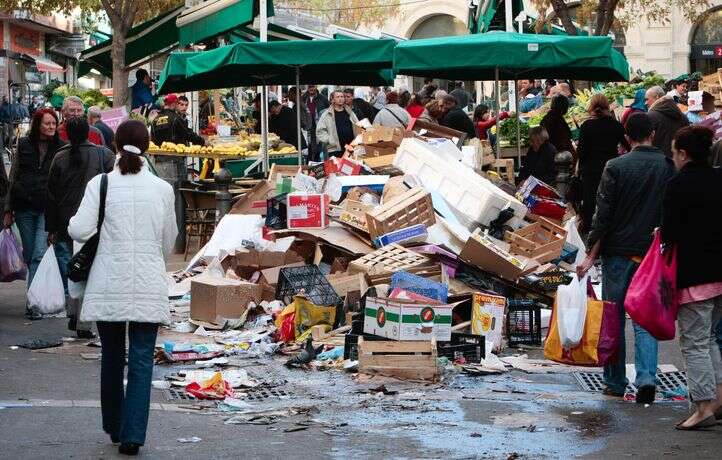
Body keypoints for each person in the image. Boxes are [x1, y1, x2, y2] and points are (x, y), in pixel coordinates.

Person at [68, 119, 176, 456]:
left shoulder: (100, 185)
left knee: (113, 356)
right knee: (142, 360)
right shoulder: (162, 189)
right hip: (147, 284)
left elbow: (78, 229)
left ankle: (114, 426)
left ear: (115, 146)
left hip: (108, 283)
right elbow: (168, 241)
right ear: (146, 147)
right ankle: (133, 436)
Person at [578, 113, 675, 403]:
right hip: (651, 255)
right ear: (653, 134)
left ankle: (615, 381)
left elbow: (603, 215)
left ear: (628, 137)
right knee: (645, 317)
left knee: (614, 316)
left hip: (617, 253)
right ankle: (647, 378)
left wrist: (591, 253)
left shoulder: (615, 167)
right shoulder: (667, 167)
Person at [660, 125, 722, 430]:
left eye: (674, 152)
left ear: (683, 154)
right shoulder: (719, 177)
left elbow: (670, 232)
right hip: (720, 273)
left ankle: (702, 406)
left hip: (695, 275)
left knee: (694, 343)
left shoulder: (678, 185)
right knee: (710, 338)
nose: (673, 158)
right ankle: (718, 398)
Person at [45, 116, 115, 338]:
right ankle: (84, 321)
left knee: (73, 269)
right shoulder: (103, 154)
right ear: (89, 132)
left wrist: (52, 228)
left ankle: (74, 315)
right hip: (95, 223)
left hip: (66, 222)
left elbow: (51, 195)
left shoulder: (59, 157)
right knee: (89, 270)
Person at [3, 108, 65, 320]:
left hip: (47, 209)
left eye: (53, 123)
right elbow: (14, 177)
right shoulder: (24, 145)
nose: (51, 127)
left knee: (38, 253)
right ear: (38, 124)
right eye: (47, 123)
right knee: (30, 255)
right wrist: (8, 210)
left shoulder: (61, 148)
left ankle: (33, 303)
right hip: (24, 206)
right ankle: (34, 295)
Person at [576, 94, 628, 234]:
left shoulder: (587, 126)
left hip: (590, 169)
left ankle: (589, 229)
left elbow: (581, 152)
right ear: (607, 106)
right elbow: (627, 146)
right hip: (611, 168)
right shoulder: (615, 125)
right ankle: (608, 228)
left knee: (590, 199)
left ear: (592, 107)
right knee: (610, 199)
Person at [646, 86, 689, 158]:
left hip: (657, 162)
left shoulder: (650, 116)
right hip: (679, 162)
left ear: (656, 97)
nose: (645, 103)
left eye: (647, 99)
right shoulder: (683, 117)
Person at [316, 90, 359, 158]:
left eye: (342, 96)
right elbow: (320, 132)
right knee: (335, 168)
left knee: (349, 168)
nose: (340, 98)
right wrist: (330, 140)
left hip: (350, 148)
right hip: (335, 149)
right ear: (332, 100)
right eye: (337, 97)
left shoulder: (350, 112)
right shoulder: (326, 114)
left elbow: (358, 126)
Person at [540, 95, 576, 160]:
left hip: (547, 152)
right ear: (564, 106)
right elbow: (565, 138)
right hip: (558, 153)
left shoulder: (546, 118)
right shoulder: (558, 119)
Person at [302, 85, 330, 161]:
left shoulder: (322, 98)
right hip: (307, 125)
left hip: (319, 124)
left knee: (319, 144)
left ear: (316, 87)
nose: (311, 89)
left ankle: (317, 162)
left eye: (313, 87)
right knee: (309, 145)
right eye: (309, 87)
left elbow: (328, 110)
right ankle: (310, 161)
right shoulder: (303, 98)